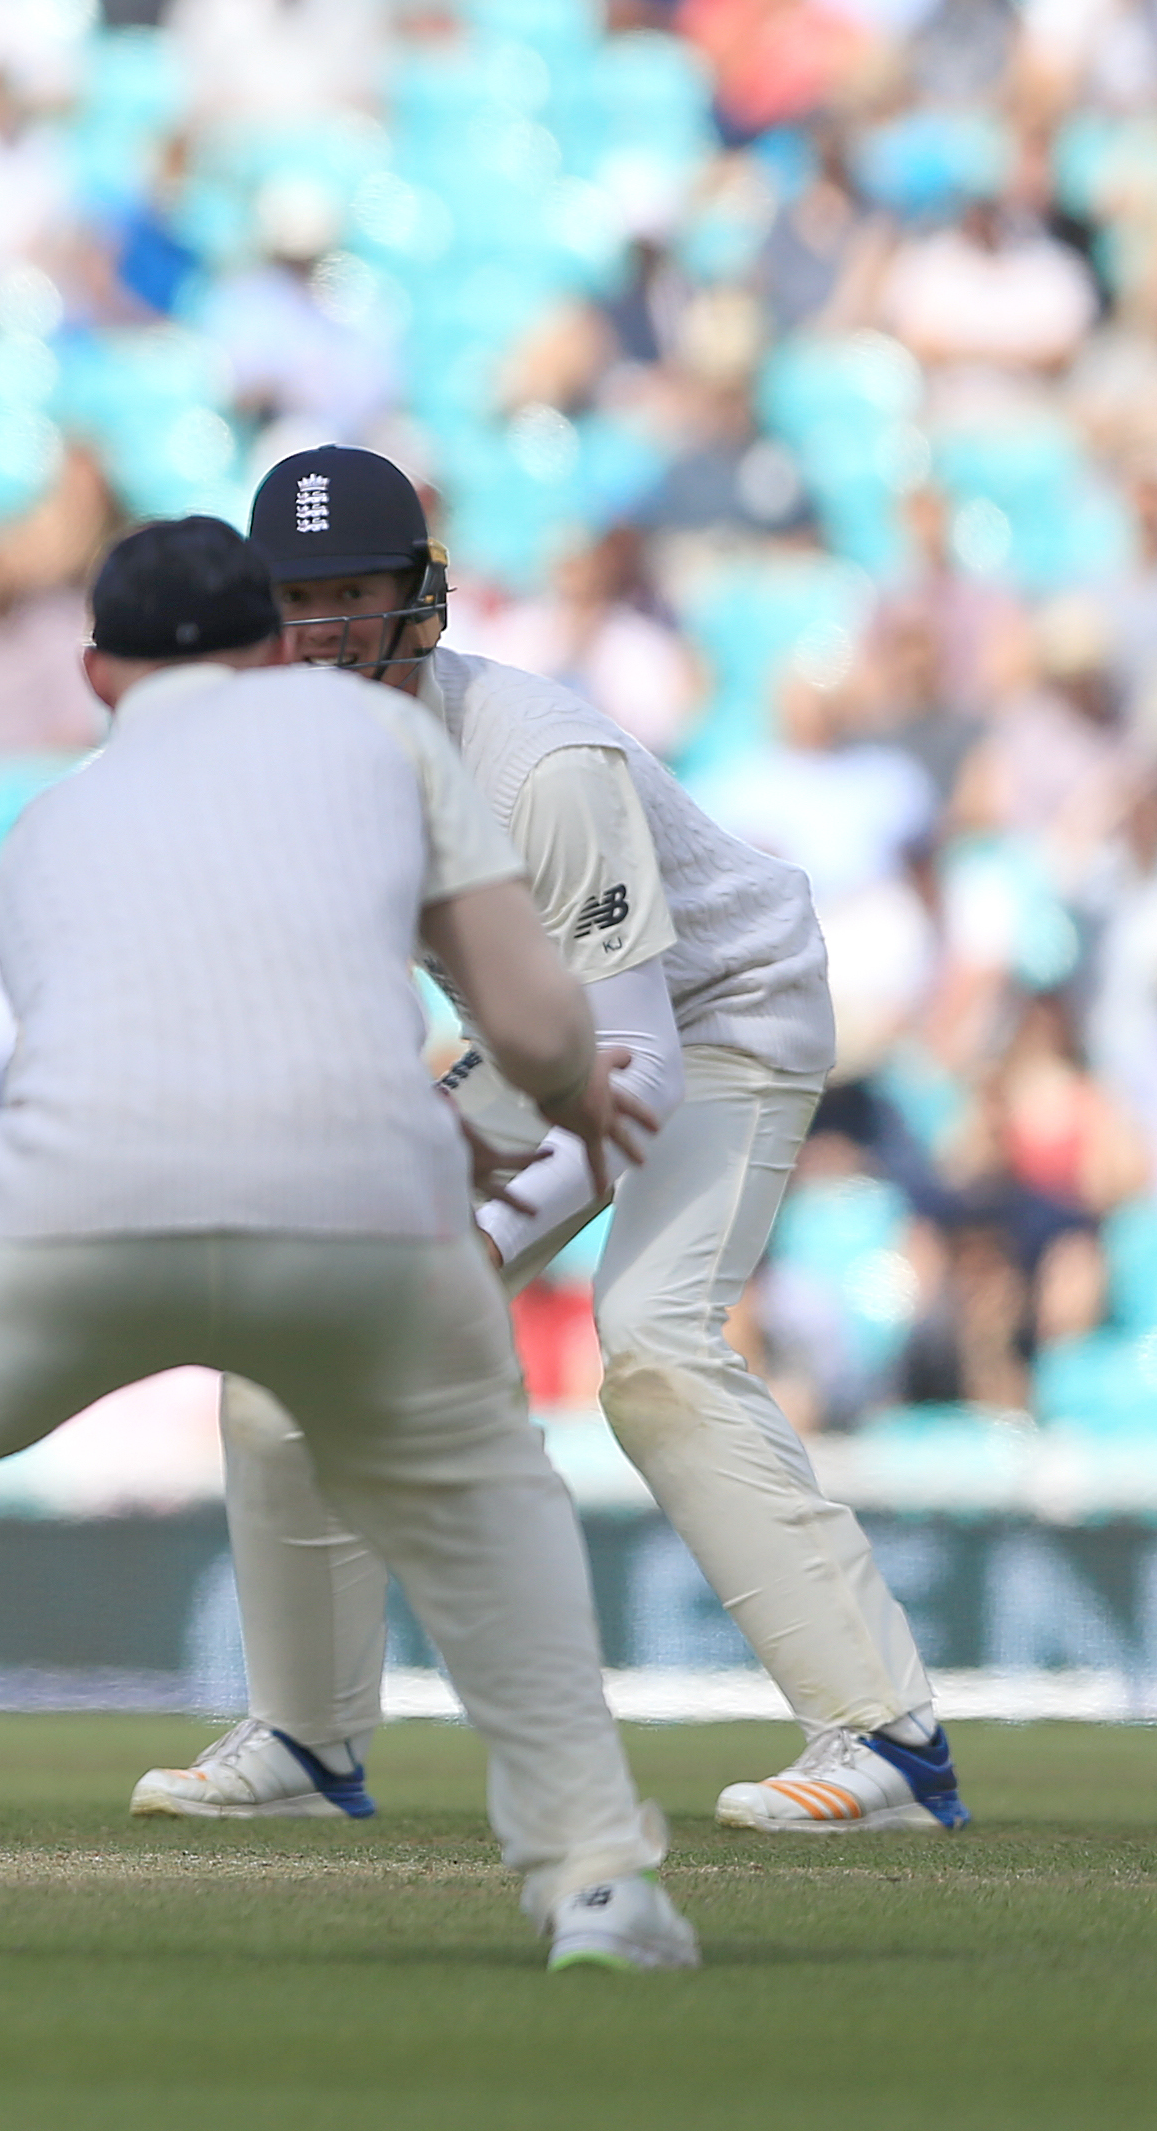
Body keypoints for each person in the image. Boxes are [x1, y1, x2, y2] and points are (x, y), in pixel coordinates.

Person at [0, 519, 694, 1971]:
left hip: (72, 1208)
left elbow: (123, 1054)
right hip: (359, 1213)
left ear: (97, 670)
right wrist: (552, 1100)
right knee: (490, 1515)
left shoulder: (41, 832)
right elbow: (538, 1028)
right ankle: (597, 1889)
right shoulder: (386, 744)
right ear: (272, 642)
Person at [129, 447, 963, 1838]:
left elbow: (629, 1062)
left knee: (650, 1339)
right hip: (537, 1033)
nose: (327, 633)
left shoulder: (537, 766)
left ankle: (890, 1744)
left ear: (423, 604)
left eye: (356, 594)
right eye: (298, 601)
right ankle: (308, 1737)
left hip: (714, 1015)